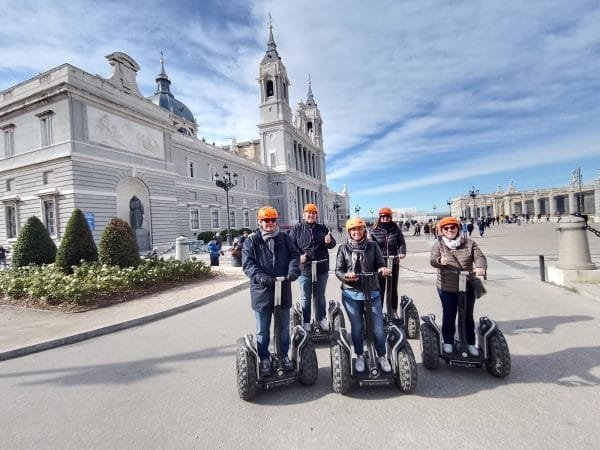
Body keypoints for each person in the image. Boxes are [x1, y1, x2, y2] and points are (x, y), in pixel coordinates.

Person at [242, 206, 300, 377]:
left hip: (282, 287)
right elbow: (248, 264)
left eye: (273, 220)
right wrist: (261, 277)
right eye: (266, 220)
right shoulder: (251, 241)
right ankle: (264, 358)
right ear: (259, 222)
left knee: (283, 328)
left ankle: (283, 355)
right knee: (263, 329)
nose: (270, 223)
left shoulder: (284, 238)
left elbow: (294, 255)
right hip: (262, 291)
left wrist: (293, 271)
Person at [335, 217, 392, 373]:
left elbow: (380, 263)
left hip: (372, 292)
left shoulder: (373, 246)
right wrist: (346, 276)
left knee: (378, 328)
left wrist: (382, 269)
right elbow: (338, 270)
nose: (356, 232)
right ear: (349, 232)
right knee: (357, 327)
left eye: (359, 229)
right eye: (353, 230)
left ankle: (381, 356)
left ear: (364, 230)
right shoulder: (343, 249)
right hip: (351, 294)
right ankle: (360, 355)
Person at [430, 216, 487, 357]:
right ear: (442, 230)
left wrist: (480, 267)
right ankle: (448, 341)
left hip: (467, 285)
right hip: (447, 286)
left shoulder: (469, 243)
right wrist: (439, 261)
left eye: (452, 227)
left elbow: (480, 256)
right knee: (449, 314)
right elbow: (432, 260)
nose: (450, 230)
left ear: (458, 228)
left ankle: (469, 342)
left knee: (467, 315)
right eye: (446, 228)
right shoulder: (439, 245)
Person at [289, 203, 337, 331]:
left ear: (316, 215)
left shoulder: (322, 228)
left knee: (320, 296)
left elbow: (332, 244)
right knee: (306, 296)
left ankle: (322, 319)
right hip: (304, 269)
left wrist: (329, 241)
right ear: (304, 215)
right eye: (308, 213)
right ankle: (306, 321)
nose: (311, 215)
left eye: (313, 213)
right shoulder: (297, 229)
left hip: (321, 267)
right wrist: (299, 257)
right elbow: (290, 247)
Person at [369, 207, 406, 318]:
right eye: (383, 216)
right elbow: (371, 245)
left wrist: (401, 252)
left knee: (393, 287)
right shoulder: (374, 229)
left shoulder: (396, 229)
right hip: (380, 263)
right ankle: (379, 311)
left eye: (387, 216)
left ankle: (393, 311)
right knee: (379, 287)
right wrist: (369, 240)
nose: (385, 218)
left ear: (390, 217)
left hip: (393, 260)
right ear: (380, 217)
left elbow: (401, 243)